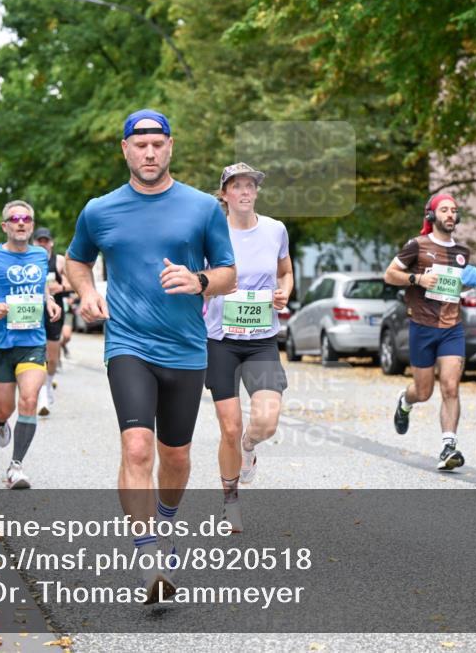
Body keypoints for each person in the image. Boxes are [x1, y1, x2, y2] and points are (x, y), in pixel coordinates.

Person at [65, 109, 236, 603]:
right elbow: (78, 260)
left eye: (157, 143)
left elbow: (229, 271)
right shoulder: (99, 210)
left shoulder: (203, 207)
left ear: (170, 147)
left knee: (176, 457)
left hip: (185, 348)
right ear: (125, 149)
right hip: (128, 345)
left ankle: (163, 524)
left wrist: (199, 280)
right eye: (139, 144)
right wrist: (86, 291)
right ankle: (148, 555)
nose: (148, 152)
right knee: (138, 447)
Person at [203, 163, 292, 532]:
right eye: (236, 186)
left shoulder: (275, 230)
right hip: (220, 340)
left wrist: (285, 291)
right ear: (224, 194)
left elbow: (285, 271)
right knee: (227, 427)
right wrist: (216, 287)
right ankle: (230, 502)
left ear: (256, 192)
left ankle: (249, 447)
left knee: (266, 421)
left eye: (250, 186)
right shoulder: (210, 232)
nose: (244, 192)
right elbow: (199, 281)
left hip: (261, 341)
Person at [383, 193, 476, 470]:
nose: (450, 214)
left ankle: (448, 447)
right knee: (424, 391)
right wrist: (418, 278)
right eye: (444, 210)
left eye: (454, 210)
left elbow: (456, 288)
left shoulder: (462, 252)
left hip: (452, 327)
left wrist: (470, 283)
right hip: (422, 326)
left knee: (450, 386)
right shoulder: (417, 246)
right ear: (431, 215)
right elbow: (389, 274)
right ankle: (405, 401)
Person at [0, 200, 60, 489]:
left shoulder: (40, 255)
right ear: (5, 226)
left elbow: (41, 286)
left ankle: (16, 467)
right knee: (4, 409)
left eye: (26, 218)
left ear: (31, 225)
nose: (21, 222)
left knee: (29, 400)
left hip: (32, 340)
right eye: (15, 218)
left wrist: (50, 301)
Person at [32, 227, 69, 415]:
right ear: (34, 242)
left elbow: (72, 283)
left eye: (46, 240)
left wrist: (60, 287)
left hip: (54, 311)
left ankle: (48, 384)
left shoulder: (60, 261)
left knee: (52, 358)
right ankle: (42, 396)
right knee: (37, 353)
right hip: (33, 312)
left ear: (51, 243)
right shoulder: (28, 259)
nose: (43, 244)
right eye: (39, 240)